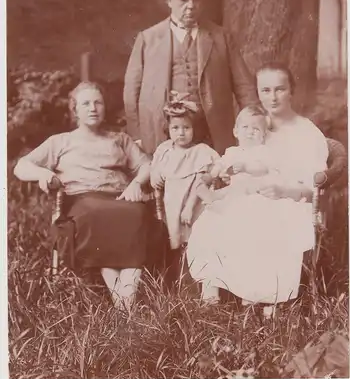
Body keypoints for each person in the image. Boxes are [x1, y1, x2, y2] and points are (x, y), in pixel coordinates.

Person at [186, 62, 329, 315]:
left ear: (291, 91)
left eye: (280, 89)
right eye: (265, 90)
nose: (272, 97)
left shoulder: (306, 132)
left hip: (290, 200)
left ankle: (262, 298)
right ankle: (218, 295)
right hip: (248, 196)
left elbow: (312, 189)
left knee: (263, 225)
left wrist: (284, 191)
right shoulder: (254, 125)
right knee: (212, 222)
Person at [14, 82, 152, 311]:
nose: (93, 108)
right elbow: (21, 166)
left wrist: (137, 182)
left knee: (137, 212)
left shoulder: (119, 139)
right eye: (85, 103)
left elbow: (146, 165)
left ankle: (125, 300)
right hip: (82, 201)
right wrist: (43, 173)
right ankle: (126, 303)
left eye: (98, 102)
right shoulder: (61, 141)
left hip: (120, 198)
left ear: (105, 107)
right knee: (96, 213)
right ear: (74, 109)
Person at [123, 0, 258, 156]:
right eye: (183, 0)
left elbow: (244, 86)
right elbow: (131, 92)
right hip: (164, 132)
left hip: (212, 131)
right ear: (169, 1)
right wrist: (137, 135)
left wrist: (255, 124)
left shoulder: (221, 37)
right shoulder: (148, 39)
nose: (191, 6)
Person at [150, 91, 219, 252]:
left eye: (186, 128)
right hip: (172, 204)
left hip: (193, 204)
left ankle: (194, 269)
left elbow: (200, 183)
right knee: (173, 237)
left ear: (195, 128)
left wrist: (189, 207)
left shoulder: (200, 151)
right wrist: (155, 175)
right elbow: (156, 167)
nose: (181, 133)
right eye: (175, 128)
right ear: (168, 128)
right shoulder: (165, 149)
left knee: (194, 237)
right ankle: (176, 266)